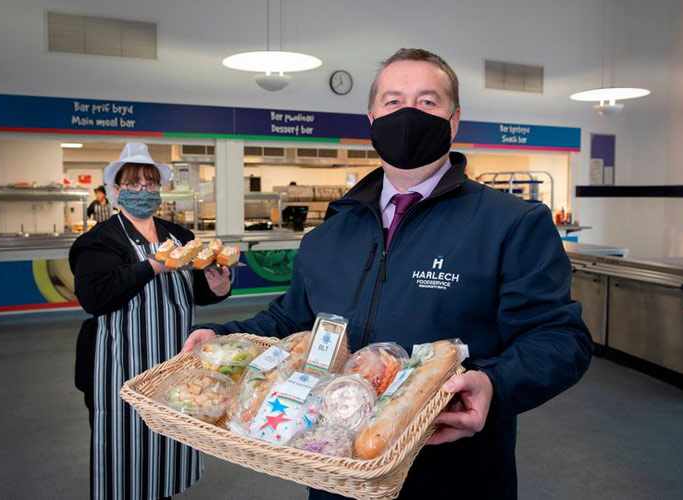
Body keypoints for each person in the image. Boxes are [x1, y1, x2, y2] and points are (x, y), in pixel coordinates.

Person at [183, 49, 593, 499]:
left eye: (428, 102)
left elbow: (559, 338)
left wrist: (496, 384)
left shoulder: (510, 224)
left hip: (454, 471)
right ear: (372, 117)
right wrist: (223, 337)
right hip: (334, 469)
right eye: (394, 101)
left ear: (454, 121)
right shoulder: (329, 235)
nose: (409, 114)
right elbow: (289, 322)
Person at [70, 142, 232, 500]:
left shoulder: (180, 237)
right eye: (133, 184)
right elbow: (95, 298)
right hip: (121, 366)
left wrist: (218, 288)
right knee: (124, 451)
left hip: (173, 362)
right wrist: (152, 266)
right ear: (116, 191)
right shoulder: (99, 241)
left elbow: (196, 293)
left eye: (150, 183)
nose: (143, 191)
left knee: (168, 446)